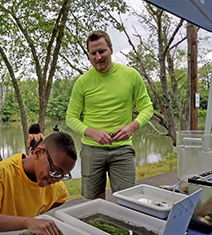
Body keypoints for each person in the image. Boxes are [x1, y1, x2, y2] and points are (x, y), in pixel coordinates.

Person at [65, 30, 154, 200]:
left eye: (102, 51)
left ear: (111, 50)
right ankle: (97, 227)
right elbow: (70, 117)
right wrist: (91, 132)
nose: (98, 57)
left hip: (122, 149)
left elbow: (147, 108)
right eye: (93, 53)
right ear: (89, 55)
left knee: (128, 200)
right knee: (94, 203)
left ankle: (125, 227)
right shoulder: (82, 82)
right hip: (91, 150)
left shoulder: (131, 75)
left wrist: (132, 126)